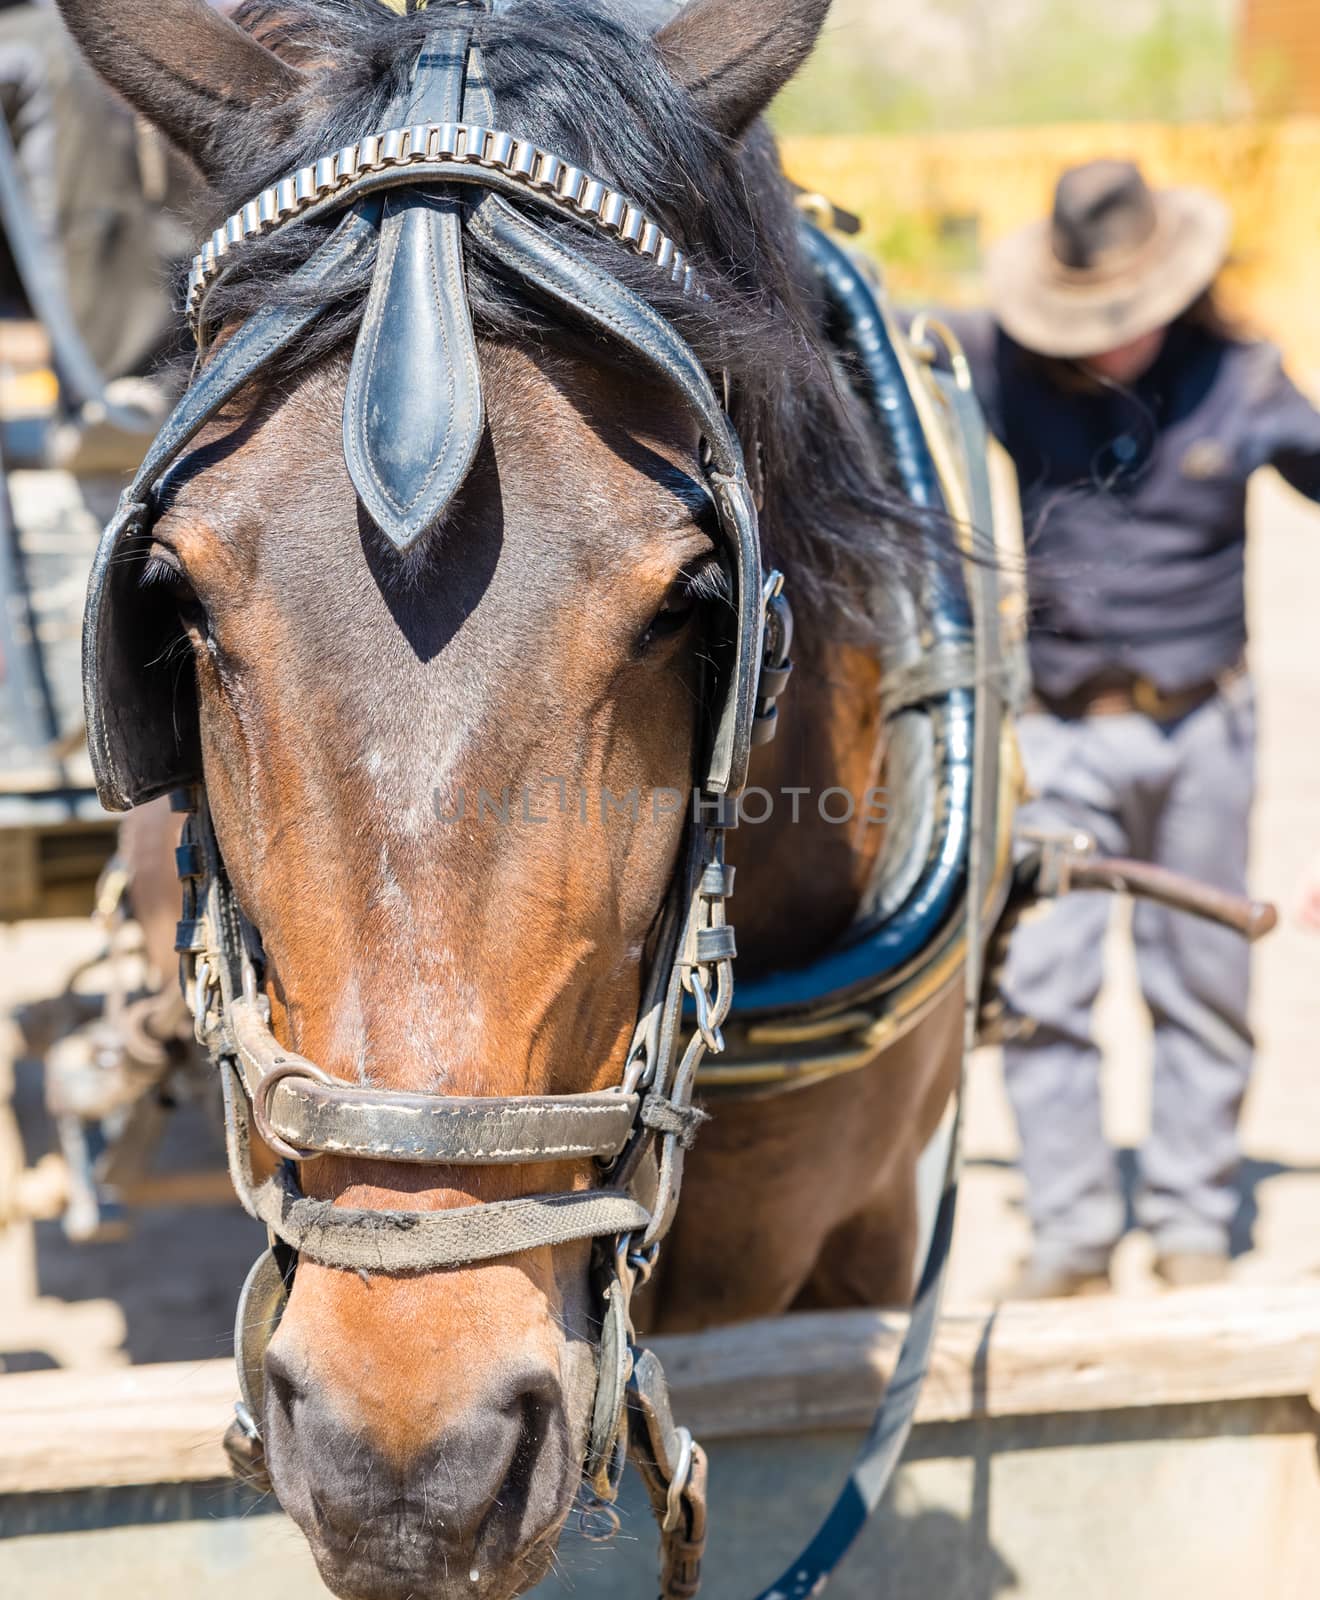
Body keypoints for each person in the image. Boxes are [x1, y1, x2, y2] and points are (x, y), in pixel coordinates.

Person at [943, 159, 1320, 1297]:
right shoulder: (1005, 366)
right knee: (1044, 986)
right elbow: (848, 318)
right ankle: (1071, 1233)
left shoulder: (1247, 382)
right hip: (1057, 731)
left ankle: (1194, 1213)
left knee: (1201, 980)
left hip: (1202, 726)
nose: (1108, 344)